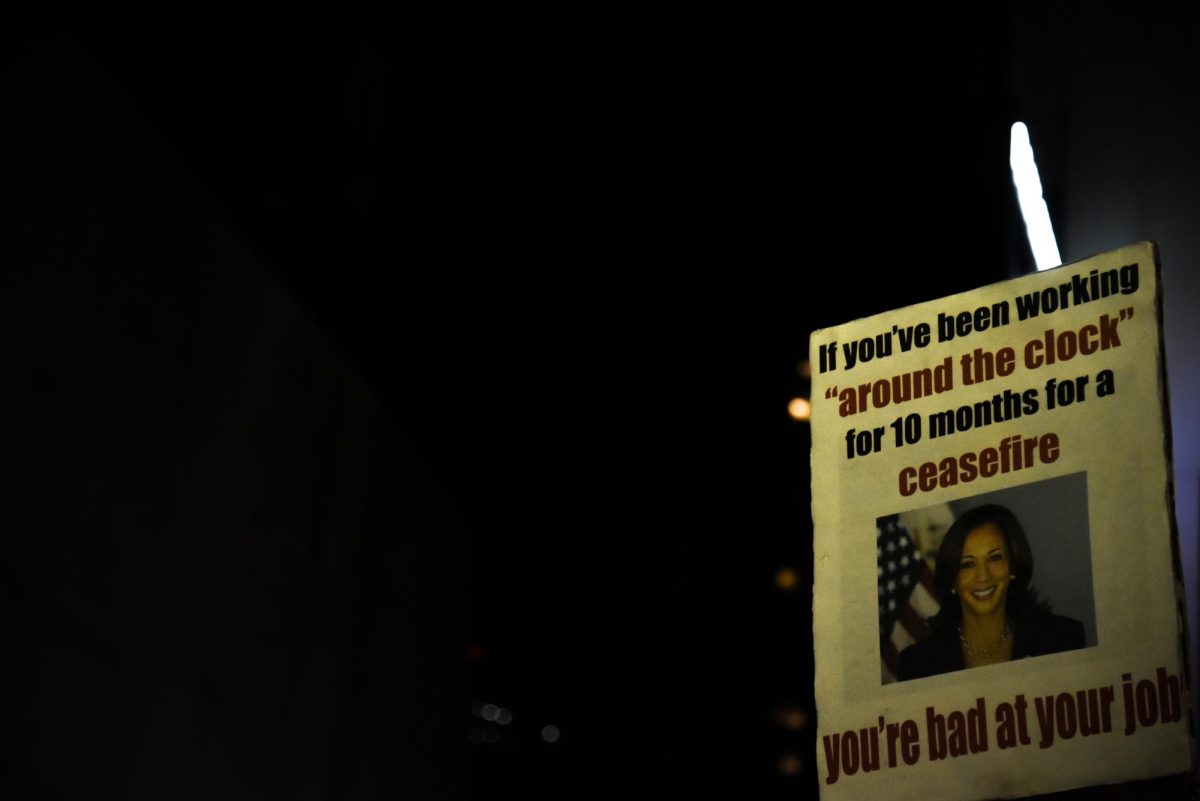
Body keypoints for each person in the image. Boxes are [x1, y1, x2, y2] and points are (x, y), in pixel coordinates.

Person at [897, 503, 1085, 681]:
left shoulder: (1064, 638)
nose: (983, 576)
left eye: (994, 558)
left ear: (1012, 566)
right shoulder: (916, 664)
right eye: (968, 564)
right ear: (952, 579)